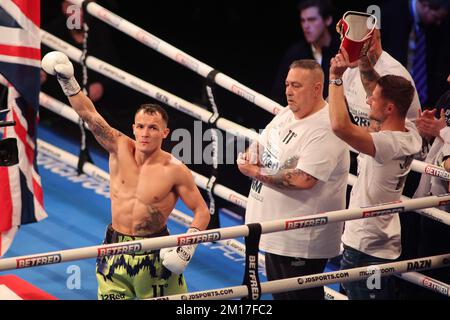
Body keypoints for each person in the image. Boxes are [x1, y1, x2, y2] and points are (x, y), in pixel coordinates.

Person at [41, 51, 210, 300]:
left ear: (165, 133)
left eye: (153, 128)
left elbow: (202, 211)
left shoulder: (175, 170)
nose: (145, 133)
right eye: (140, 127)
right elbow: (89, 114)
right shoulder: (118, 146)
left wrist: (187, 247)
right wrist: (68, 81)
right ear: (133, 128)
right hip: (114, 250)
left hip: (154, 252)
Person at [238, 59, 350, 300]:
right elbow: (262, 141)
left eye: (296, 86)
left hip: (301, 242)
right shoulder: (289, 112)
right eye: (288, 84)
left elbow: (304, 179)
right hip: (276, 232)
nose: (288, 91)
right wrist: (251, 153)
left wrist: (255, 171)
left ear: (317, 88)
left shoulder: (326, 127)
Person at [328, 47, 422, 300]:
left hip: (367, 246)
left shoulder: (386, 144)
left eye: (374, 98)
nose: (368, 100)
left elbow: (339, 125)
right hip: (378, 241)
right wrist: (364, 63)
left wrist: (335, 77)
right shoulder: (410, 133)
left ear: (389, 108)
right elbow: (376, 92)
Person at [409, 73, 450, 299]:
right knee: (424, 274)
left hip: (445, 206)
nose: (448, 78)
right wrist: (427, 132)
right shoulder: (447, 98)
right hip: (431, 201)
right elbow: (436, 145)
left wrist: (441, 131)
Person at [381, 0, 449, 107]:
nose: (438, 23)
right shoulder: (389, 13)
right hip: (390, 96)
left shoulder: (436, 28)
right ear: (425, 5)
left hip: (423, 104)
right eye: (436, 18)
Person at [271, 0, 340, 104]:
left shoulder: (341, 51)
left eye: (312, 20)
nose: (306, 26)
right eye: (303, 20)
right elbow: (278, 95)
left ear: (328, 20)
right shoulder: (295, 53)